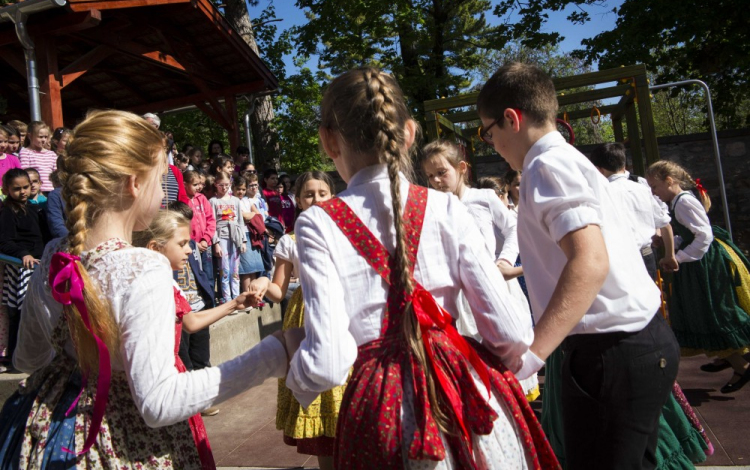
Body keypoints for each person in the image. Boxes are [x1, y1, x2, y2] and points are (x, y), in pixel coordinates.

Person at [282, 67, 558, 469]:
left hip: (382, 413)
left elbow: (327, 362)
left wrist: (294, 365)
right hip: (463, 392)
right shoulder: (447, 207)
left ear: (328, 140)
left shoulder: (317, 222)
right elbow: (511, 332)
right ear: (409, 133)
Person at [0, 110, 289, 468]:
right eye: (161, 177)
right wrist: (272, 355)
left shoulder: (53, 255)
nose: (164, 187)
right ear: (135, 184)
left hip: (47, 431)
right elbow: (158, 403)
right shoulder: (141, 266)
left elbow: (27, 358)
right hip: (121, 439)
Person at [476, 62, 679, 469]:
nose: (490, 142)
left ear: (512, 119)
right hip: (633, 344)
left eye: (488, 131)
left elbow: (589, 261)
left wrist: (532, 355)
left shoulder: (544, 164)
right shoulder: (563, 159)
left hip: (611, 352)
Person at [421, 140, 538, 401]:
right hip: (459, 297)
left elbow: (513, 230)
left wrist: (506, 260)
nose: (436, 181)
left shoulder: (483, 198)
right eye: (430, 176)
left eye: (442, 172)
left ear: (461, 168)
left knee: (503, 355)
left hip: (494, 286)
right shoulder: (432, 207)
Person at [646, 160, 750, 393]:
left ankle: (741, 365)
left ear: (669, 181)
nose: (654, 192)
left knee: (714, 312)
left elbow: (704, 236)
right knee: (705, 311)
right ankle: (728, 355)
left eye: (655, 187)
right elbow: (689, 233)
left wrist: (678, 257)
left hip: (705, 264)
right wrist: (669, 244)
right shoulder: (676, 203)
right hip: (698, 262)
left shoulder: (683, 202)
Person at [589, 143, 676, 281]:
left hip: (621, 260)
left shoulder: (600, 193)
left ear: (599, 170)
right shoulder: (643, 189)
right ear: (624, 166)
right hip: (647, 256)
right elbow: (665, 225)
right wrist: (669, 255)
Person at [0, 168, 45, 365]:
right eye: (17, 189)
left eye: (25, 187)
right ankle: (15, 355)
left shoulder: (35, 208)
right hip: (20, 267)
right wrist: (22, 254)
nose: (23, 192)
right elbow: (4, 241)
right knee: (20, 311)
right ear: (7, 189)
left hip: (38, 263)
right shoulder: (8, 211)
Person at [210, 172, 246, 304]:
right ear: (216, 184)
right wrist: (216, 243)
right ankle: (227, 299)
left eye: (226, 185)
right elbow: (212, 223)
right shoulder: (213, 201)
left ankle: (236, 298)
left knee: (235, 269)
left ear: (230, 184)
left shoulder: (235, 201)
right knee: (225, 269)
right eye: (221, 185)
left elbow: (241, 221)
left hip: (235, 237)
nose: (224, 188)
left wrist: (243, 241)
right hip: (222, 237)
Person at [184, 170, 216, 300]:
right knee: (196, 273)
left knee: (208, 273)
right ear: (185, 184)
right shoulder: (183, 200)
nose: (199, 187)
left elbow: (211, 220)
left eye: (199, 184)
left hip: (205, 244)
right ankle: (199, 301)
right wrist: (193, 243)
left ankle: (211, 301)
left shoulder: (202, 198)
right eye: (195, 184)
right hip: (192, 245)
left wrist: (205, 239)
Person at [19, 121, 57, 194]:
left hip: (51, 189)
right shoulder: (25, 152)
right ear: (30, 136)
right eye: (40, 137)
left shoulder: (51, 154)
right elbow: (25, 171)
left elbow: (56, 173)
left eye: (45, 137)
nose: (43, 140)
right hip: (34, 190)